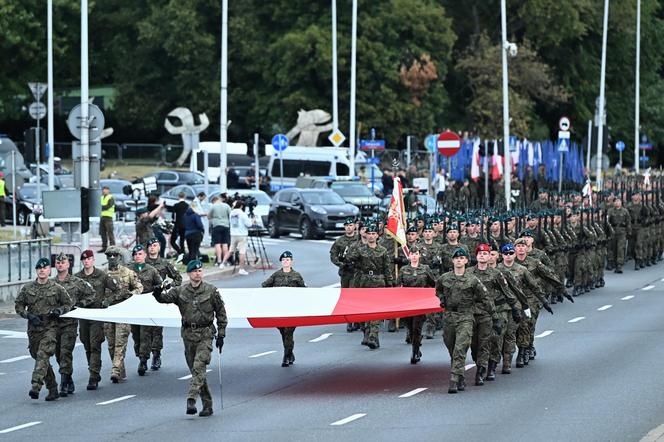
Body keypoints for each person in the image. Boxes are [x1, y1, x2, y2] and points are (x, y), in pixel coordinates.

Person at [152, 259, 227, 417]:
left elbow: (221, 312)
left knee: (199, 366)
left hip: (206, 333)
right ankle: (207, 404)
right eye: (194, 271)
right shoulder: (181, 291)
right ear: (189, 273)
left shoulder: (211, 291)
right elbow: (163, 299)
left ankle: (191, 399)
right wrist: (157, 292)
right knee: (196, 371)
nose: (198, 274)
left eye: (200, 271)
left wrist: (221, 333)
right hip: (188, 335)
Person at [15, 257, 73, 401]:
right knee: (38, 356)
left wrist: (59, 311)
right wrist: (28, 315)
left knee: (43, 354)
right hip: (34, 329)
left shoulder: (57, 288)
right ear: (36, 270)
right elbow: (19, 305)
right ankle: (53, 388)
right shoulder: (28, 288)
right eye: (39, 268)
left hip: (50, 327)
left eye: (45, 268)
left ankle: (36, 386)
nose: (42, 270)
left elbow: (68, 304)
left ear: (49, 270)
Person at [436, 248, 493, 394]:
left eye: (462, 258)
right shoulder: (445, 278)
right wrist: (442, 300)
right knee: (451, 346)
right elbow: (438, 290)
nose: (459, 260)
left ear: (467, 261)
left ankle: (454, 380)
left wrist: (494, 317)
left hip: (466, 316)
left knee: (460, 348)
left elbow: (484, 297)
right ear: (453, 261)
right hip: (449, 316)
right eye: (457, 258)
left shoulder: (473, 280)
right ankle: (460, 375)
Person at [52, 252, 95, 397]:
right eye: (58, 262)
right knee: (58, 354)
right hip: (54, 323)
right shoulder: (51, 283)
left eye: (63, 262)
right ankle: (69, 379)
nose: (60, 264)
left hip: (69, 324)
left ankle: (63, 383)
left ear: (68, 264)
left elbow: (91, 294)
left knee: (65, 352)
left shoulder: (76, 282)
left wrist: (80, 305)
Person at [346, 224, 393, 349]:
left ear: (377, 235)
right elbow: (350, 259)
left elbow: (387, 269)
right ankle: (366, 331)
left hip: (379, 282)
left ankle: (373, 335)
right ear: (365, 235)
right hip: (363, 282)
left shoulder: (383, 251)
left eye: (374, 234)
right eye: (369, 234)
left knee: (376, 310)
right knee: (363, 310)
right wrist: (345, 257)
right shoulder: (360, 250)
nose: (371, 236)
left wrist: (390, 284)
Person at [76, 249, 118, 390]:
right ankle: (92, 369)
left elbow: (117, 290)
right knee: (86, 344)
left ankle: (93, 375)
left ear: (93, 260)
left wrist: (108, 301)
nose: (86, 261)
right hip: (83, 315)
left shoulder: (101, 275)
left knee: (95, 344)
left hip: (97, 315)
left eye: (89, 259)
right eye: (84, 259)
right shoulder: (77, 278)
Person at [103, 246, 143, 383]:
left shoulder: (128, 273)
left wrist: (131, 296)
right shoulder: (103, 274)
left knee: (120, 343)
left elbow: (139, 287)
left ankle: (115, 370)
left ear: (119, 257)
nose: (112, 258)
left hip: (123, 312)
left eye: (115, 255)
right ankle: (121, 369)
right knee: (111, 344)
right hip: (108, 313)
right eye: (109, 255)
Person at [261, 251, 306, 367]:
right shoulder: (276, 275)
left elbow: (304, 291)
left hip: (292, 310)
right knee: (283, 332)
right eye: (284, 260)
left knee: (288, 332)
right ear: (281, 262)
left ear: (291, 262)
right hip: (279, 309)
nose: (286, 261)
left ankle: (286, 357)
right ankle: (290, 353)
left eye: (288, 260)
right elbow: (264, 285)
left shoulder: (297, 275)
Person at [146, 237, 182, 370]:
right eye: (150, 245)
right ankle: (143, 355)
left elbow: (178, 278)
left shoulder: (165, 263)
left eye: (155, 245)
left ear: (159, 247)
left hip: (158, 300)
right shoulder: (142, 263)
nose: (152, 248)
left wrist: (169, 287)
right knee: (141, 332)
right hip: (143, 300)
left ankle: (156, 355)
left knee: (156, 329)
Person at [396, 245, 436, 364]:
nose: (414, 256)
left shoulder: (425, 268)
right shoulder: (403, 270)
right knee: (409, 327)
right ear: (409, 256)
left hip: (420, 303)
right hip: (407, 303)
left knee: (416, 327)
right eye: (412, 254)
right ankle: (417, 347)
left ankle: (415, 352)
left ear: (419, 255)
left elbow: (433, 283)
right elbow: (398, 285)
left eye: (416, 253)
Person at [126, 244, 162, 376]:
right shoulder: (128, 270)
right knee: (136, 335)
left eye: (140, 254)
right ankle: (139, 354)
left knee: (145, 334)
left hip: (147, 307)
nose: (138, 256)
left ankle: (143, 360)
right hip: (134, 307)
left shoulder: (151, 270)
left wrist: (158, 290)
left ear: (145, 255)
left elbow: (159, 284)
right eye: (135, 254)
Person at [329, 218, 359, 332]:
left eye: (351, 225)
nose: (349, 227)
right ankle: (349, 320)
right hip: (345, 272)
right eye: (347, 225)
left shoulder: (359, 240)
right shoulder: (339, 241)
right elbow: (333, 255)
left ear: (354, 226)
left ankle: (356, 320)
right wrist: (341, 264)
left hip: (356, 272)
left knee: (354, 295)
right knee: (346, 296)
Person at [223, 199, 255, 275]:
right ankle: (241, 268)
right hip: (242, 234)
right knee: (242, 252)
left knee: (231, 250)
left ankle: (222, 263)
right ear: (241, 206)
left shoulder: (232, 213)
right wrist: (252, 220)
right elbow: (249, 224)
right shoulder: (242, 214)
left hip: (233, 234)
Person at [207, 195, 231, 267]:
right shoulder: (226, 206)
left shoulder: (213, 206)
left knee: (217, 244)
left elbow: (208, 216)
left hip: (216, 225)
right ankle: (225, 260)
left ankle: (219, 260)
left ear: (214, 200)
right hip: (226, 226)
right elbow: (230, 215)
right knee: (225, 243)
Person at [170, 192, 189, 262]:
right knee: (182, 240)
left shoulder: (176, 205)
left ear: (178, 196)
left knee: (172, 241)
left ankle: (179, 251)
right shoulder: (187, 205)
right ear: (185, 196)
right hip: (185, 225)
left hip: (177, 224)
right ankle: (183, 253)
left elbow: (173, 216)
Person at [99, 185, 115, 252]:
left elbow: (108, 206)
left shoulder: (110, 197)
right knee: (102, 233)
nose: (104, 191)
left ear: (108, 190)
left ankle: (112, 248)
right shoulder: (101, 197)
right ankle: (104, 247)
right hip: (102, 217)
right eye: (103, 189)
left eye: (105, 189)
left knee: (110, 233)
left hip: (109, 217)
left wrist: (100, 207)